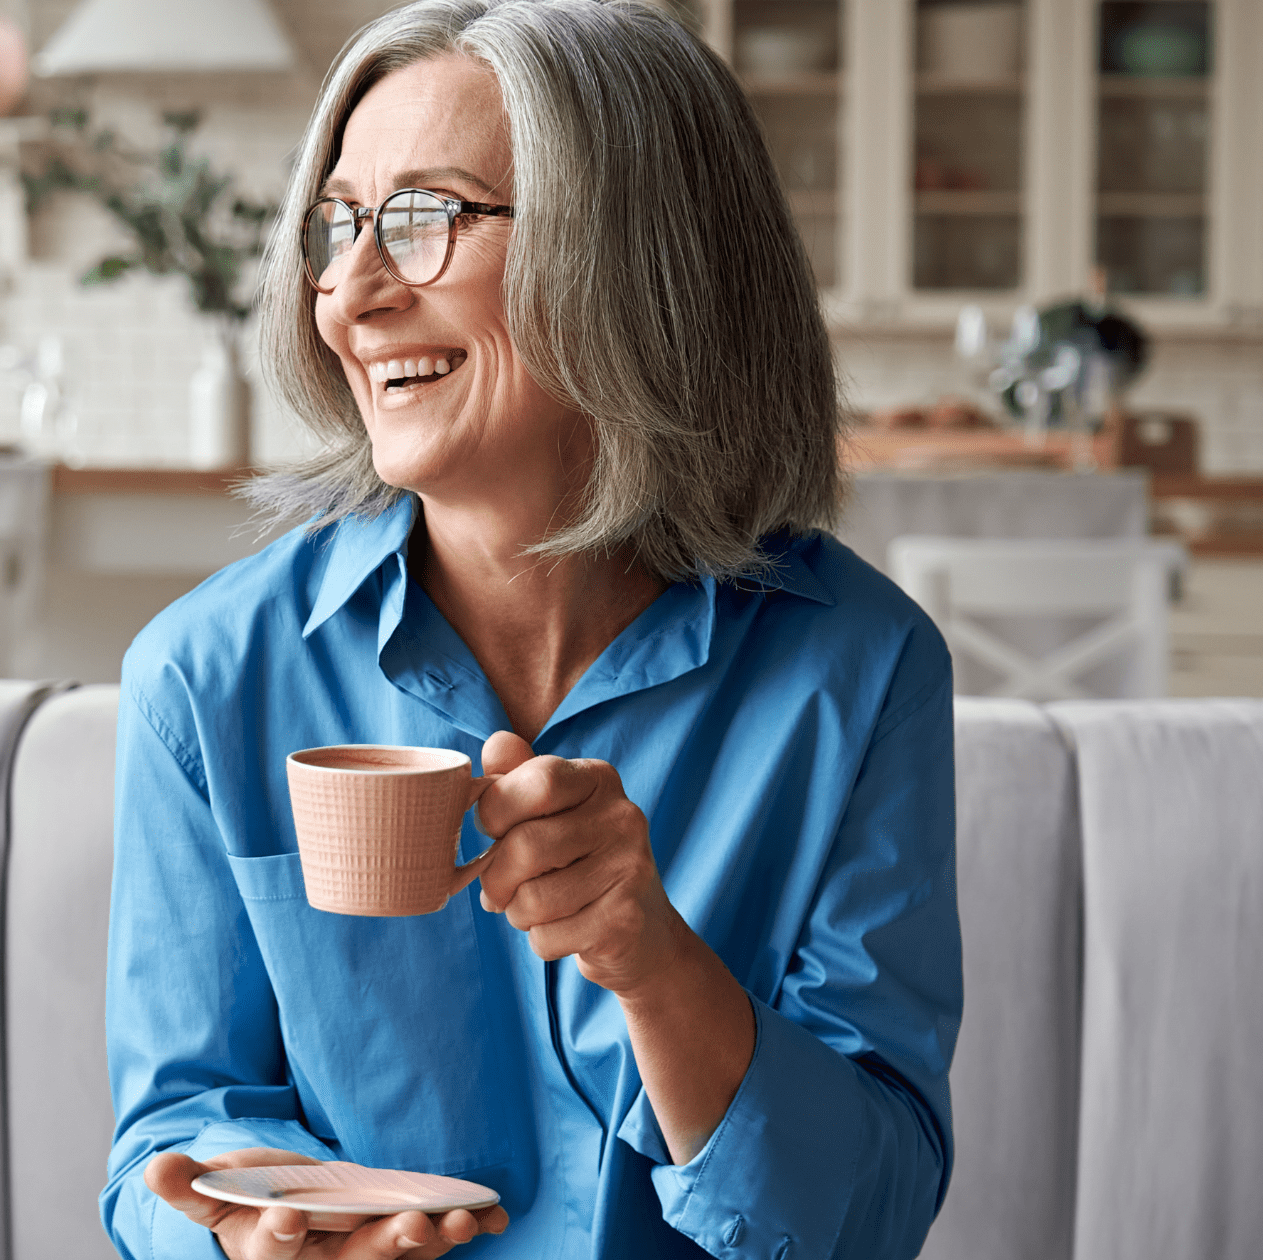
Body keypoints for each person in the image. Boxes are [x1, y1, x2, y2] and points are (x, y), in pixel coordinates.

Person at [102, 2, 960, 1257]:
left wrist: (653, 961)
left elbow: (865, 1217)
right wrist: (243, 1232)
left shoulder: (858, 673)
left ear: (638, 254)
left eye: (424, 217)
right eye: (338, 225)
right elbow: (170, 1138)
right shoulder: (205, 678)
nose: (349, 292)